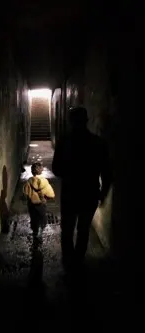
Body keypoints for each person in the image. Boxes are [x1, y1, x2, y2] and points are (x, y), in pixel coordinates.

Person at [52, 106, 111, 271]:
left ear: (71, 121)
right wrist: (103, 193)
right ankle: (78, 261)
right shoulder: (99, 143)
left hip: (70, 192)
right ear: (87, 120)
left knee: (68, 229)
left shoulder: (64, 141)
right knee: (84, 229)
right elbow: (107, 172)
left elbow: (56, 169)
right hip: (90, 192)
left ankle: (68, 262)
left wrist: (70, 171)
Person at [23, 162, 55, 238]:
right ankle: (40, 233)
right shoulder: (44, 182)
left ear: (32, 171)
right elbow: (51, 195)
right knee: (42, 218)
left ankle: (35, 232)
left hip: (31, 204)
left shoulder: (29, 181)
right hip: (41, 204)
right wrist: (45, 197)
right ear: (41, 170)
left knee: (34, 219)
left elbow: (25, 193)